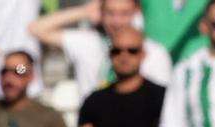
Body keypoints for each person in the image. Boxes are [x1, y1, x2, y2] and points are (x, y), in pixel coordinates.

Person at [26, 0, 172, 106]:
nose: (117, 21)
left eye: (124, 13)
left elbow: (164, 101)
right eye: (110, 13)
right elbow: (35, 28)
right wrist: (84, 12)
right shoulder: (88, 42)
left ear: (137, 12)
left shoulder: (155, 52)